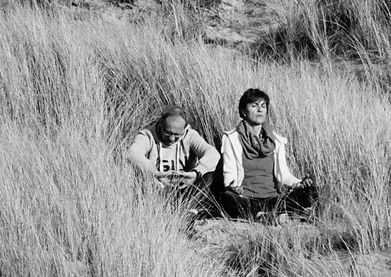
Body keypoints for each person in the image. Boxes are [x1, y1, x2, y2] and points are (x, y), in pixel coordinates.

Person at [218, 87, 306, 222]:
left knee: (309, 192)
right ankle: (263, 216)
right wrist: (233, 186)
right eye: (254, 106)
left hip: (273, 198)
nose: (260, 110)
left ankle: (273, 214)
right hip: (246, 198)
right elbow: (229, 173)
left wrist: (300, 184)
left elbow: (284, 174)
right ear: (243, 111)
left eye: (263, 106)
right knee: (227, 197)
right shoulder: (232, 138)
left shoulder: (276, 140)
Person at [125, 107, 219, 193]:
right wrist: (156, 173)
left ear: (184, 129)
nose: (172, 139)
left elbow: (213, 154)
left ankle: (188, 210)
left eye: (177, 134)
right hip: (157, 187)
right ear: (161, 125)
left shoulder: (190, 135)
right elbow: (132, 154)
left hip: (183, 186)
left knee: (207, 175)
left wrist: (195, 173)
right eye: (168, 133)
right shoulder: (148, 135)